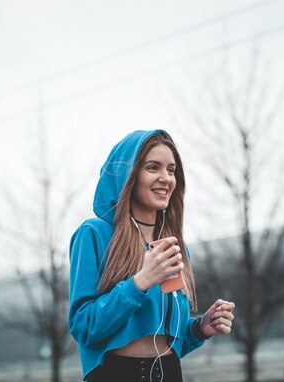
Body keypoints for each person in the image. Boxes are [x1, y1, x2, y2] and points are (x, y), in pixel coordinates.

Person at [68, 129, 236, 382]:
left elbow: (168, 338)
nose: (165, 178)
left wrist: (201, 329)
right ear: (129, 175)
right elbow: (84, 326)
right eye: (153, 167)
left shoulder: (172, 246)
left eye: (171, 170)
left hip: (169, 373)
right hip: (115, 374)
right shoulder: (94, 234)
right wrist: (140, 282)